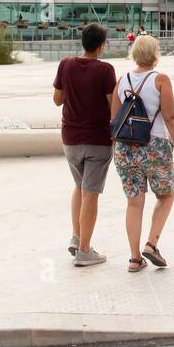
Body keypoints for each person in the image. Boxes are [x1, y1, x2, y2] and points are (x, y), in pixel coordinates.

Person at [111, 35, 174, 273]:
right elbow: (170, 117)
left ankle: (134, 259)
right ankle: (152, 244)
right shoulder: (160, 80)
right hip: (154, 148)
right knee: (166, 195)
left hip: (125, 149)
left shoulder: (122, 80)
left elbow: (114, 118)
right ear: (155, 54)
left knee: (134, 203)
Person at [53, 23, 117, 267]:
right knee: (91, 194)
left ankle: (77, 236)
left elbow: (57, 100)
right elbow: (113, 107)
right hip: (97, 141)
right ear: (101, 46)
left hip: (70, 138)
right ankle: (85, 251)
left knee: (79, 187)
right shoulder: (105, 70)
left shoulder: (65, 64)